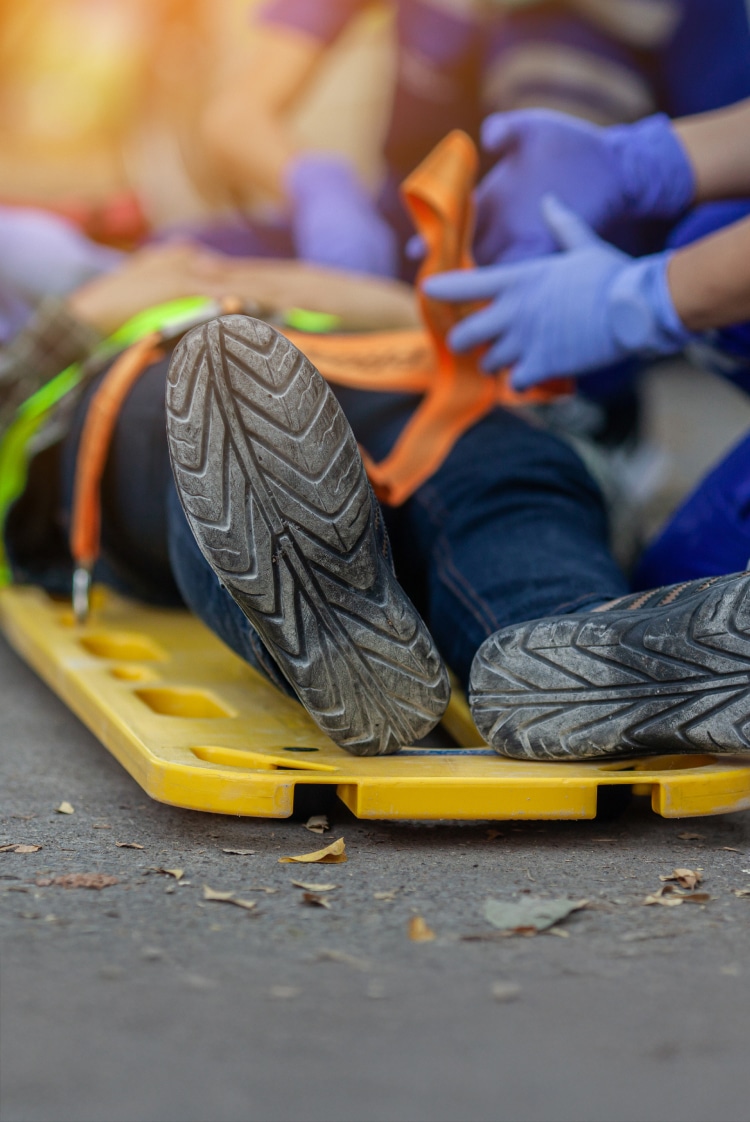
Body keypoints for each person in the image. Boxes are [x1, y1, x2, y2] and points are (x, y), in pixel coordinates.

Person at [198, 0, 750, 276]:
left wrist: (639, 301)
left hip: (576, 277)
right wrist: (316, 187)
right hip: (396, 243)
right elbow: (235, 114)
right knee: (190, 257)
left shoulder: (695, 14)